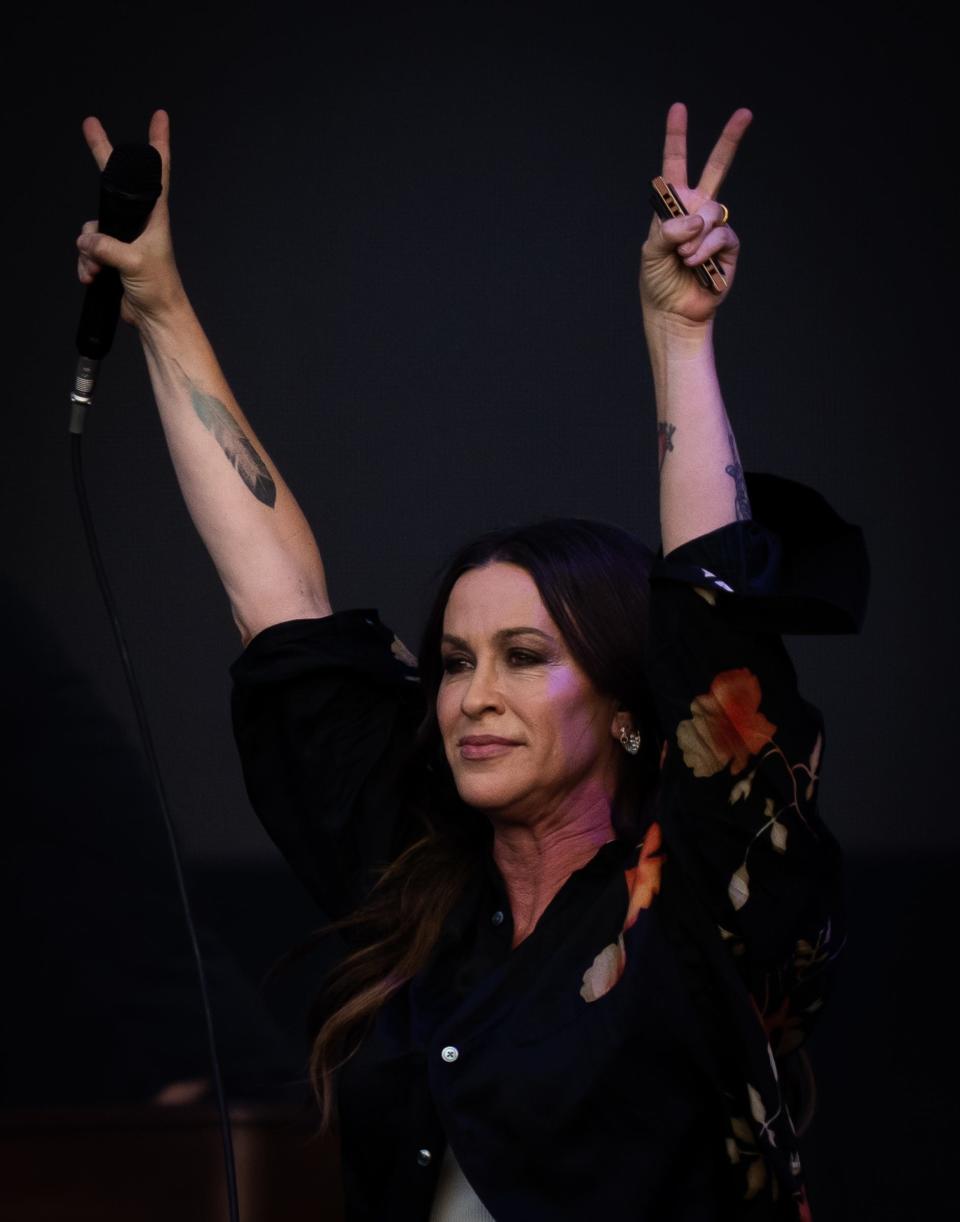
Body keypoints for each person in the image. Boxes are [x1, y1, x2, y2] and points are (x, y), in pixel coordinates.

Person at [76, 102, 869, 1221]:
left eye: (524, 655)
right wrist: (157, 304)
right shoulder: (422, 881)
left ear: (630, 702)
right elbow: (283, 606)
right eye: (453, 661)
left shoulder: (690, 898)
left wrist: (679, 340)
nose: (471, 696)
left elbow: (715, 631)